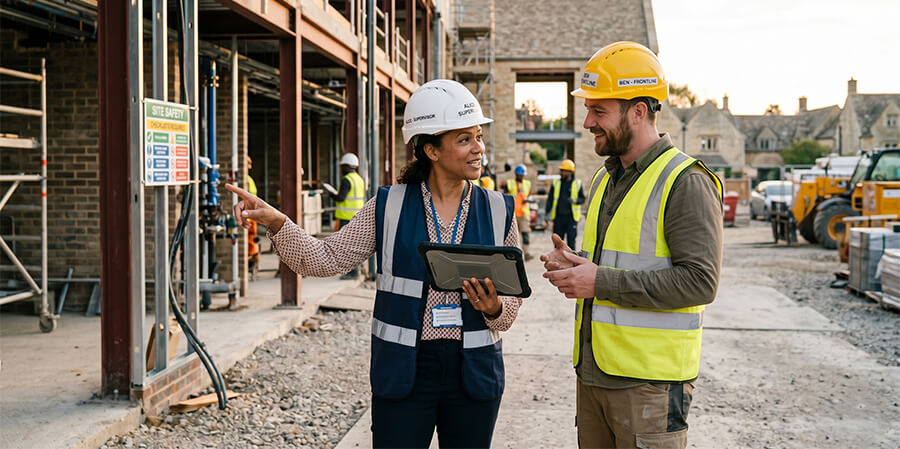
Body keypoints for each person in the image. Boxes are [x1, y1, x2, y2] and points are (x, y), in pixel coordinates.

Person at [226, 79, 522, 449]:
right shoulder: (389, 206)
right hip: (404, 373)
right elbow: (325, 258)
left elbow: (511, 309)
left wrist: (495, 307)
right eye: (464, 139)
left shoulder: (498, 210)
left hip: (474, 373)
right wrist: (277, 222)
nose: (478, 148)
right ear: (430, 149)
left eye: (477, 136)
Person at [540, 41, 723, 449]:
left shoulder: (686, 181)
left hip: (649, 387)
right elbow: (626, 261)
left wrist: (598, 281)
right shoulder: (605, 179)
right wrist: (577, 266)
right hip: (593, 375)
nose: (587, 122)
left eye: (598, 110)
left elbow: (699, 283)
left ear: (639, 111)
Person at [329, 152, 366, 279]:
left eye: (342, 166)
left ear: (347, 166)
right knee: (355, 246)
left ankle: (352, 273)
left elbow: (341, 197)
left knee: (346, 247)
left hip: (346, 217)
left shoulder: (347, 180)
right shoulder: (359, 179)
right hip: (357, 216)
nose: (341, 169)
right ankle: (357, 270)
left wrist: (330, 194)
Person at [544, 158, 585, 250]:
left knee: (571, 241)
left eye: (563, 171)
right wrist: (547, 213)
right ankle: (558, 261)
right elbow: (550, 199)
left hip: (571, 218)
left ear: (570, 172)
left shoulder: (577, 184)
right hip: (558, 218)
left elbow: (582, 199)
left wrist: (575, 201)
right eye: (561, 170)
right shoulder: (556, 183)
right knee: (557, 242)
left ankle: (572, 262)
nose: (561, 173)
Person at [503, 164, 533, 260]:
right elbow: (505, 195)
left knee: (525, 233)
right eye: (520, 175)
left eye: (522, 175)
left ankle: (526, 252)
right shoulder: (510, 183)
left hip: (524, 212)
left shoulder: (527, 183)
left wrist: (528, 199)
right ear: (516, 174)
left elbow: (530, 195)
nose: (521, 176)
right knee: (512, 234)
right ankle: (513, 254)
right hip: (512, 212)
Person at [246, 156, 261, 281]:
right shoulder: (246, 180)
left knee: (252, 241)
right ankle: (250, 263)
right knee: (250, 241)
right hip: (249, 215)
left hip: (251, 215)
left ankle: (253, 262)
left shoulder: (248, 180)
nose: (249, 167)